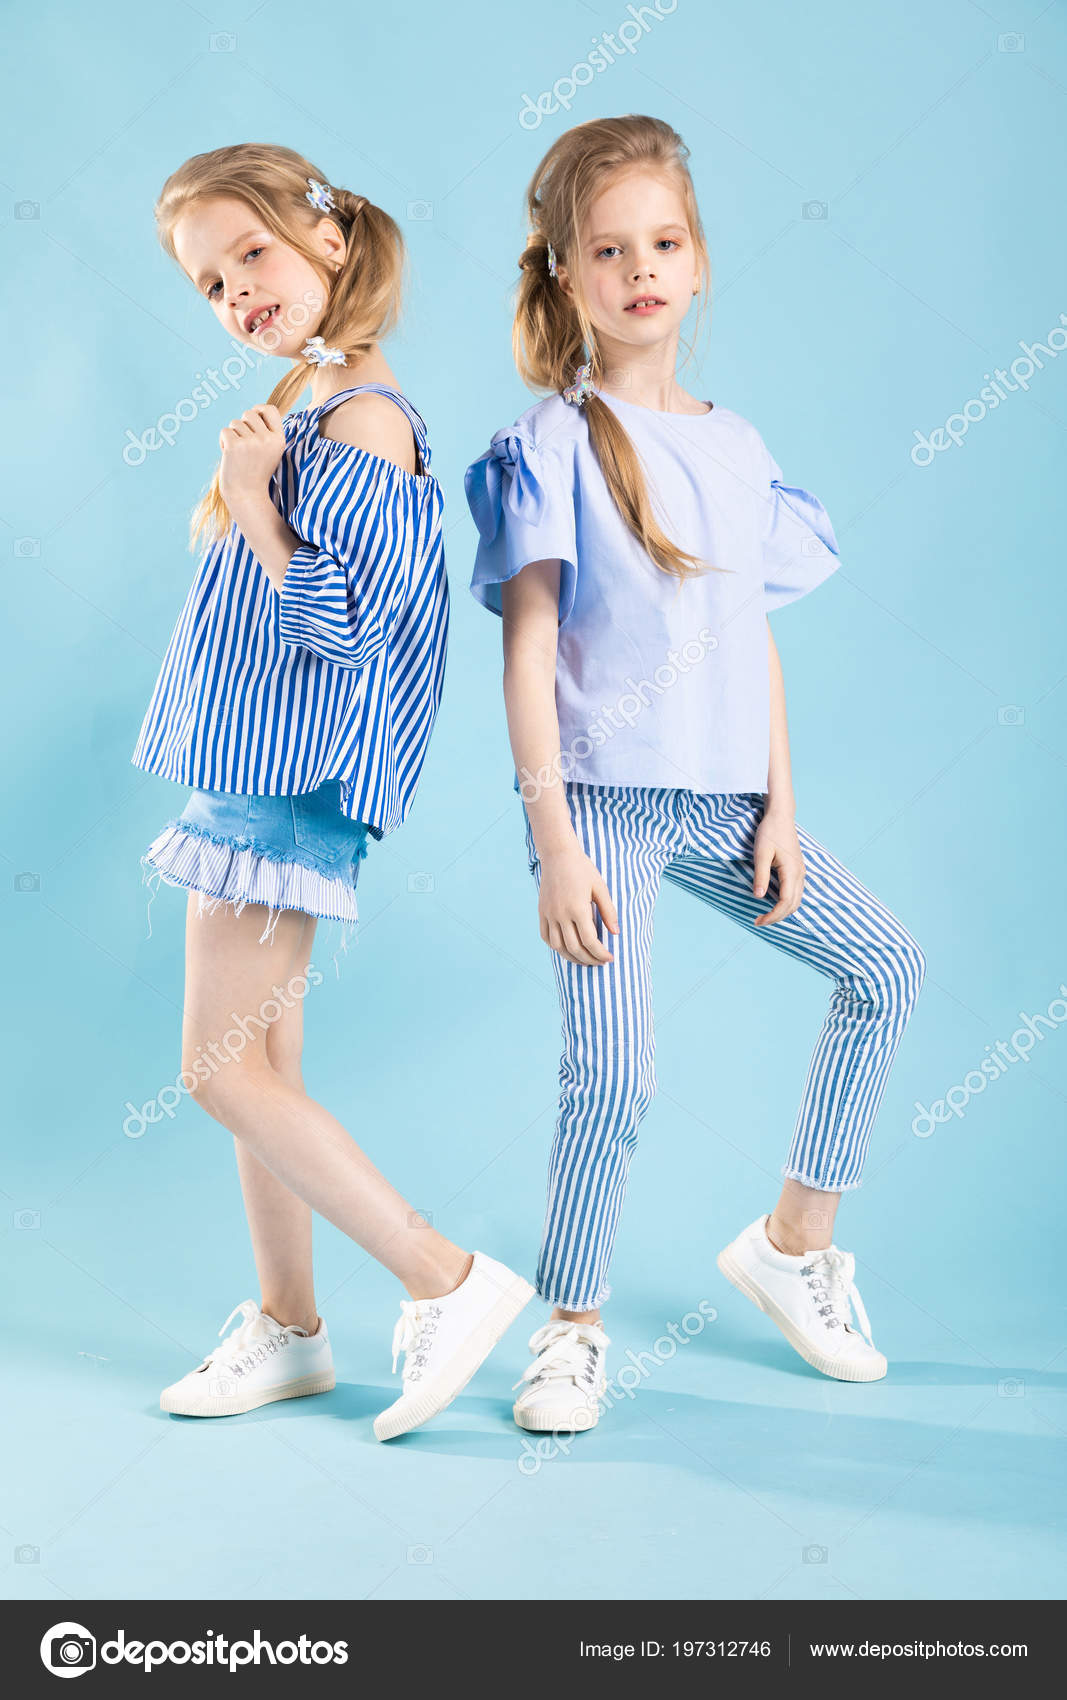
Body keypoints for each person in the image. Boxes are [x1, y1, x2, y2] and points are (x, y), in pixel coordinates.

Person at [464, 115, 926, 1435]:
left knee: (885, 968)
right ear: (566, 276)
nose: (640, 268)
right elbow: (531, 646)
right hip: (601, 806)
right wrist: (552, 839)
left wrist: (783, 804)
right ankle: (572, 1328)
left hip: (730, 802)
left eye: (663, 242)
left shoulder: (736, 446)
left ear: (702, 260)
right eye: (608, 250)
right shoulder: (550, 439)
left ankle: (792, 1243)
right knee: (614, 1076)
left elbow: (751, 638)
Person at [132, 143, 532, 1441]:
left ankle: (447, 1279)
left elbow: (345, 630)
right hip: (255, 776)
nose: (236, 292)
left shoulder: (360, 419)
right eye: (209, 283)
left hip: (281, 785)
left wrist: (254, 504)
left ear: (329, 241)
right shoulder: (316, 407)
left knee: (217, 1071)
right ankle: (291, 1330)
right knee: (265, 1064)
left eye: (250, 253)